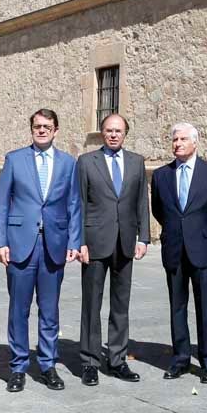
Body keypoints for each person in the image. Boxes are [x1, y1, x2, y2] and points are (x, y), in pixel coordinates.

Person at [0, 108, 81, 393]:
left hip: (54, 245)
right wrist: (0, 241)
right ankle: (18, 366)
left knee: (50, 310)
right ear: (31, 129)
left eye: (47, 126)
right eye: (37, 126)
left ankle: (47, 364)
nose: (41, 130)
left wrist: (74, 243)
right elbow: (2, 203)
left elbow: (74, 205)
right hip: (20, 244)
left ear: (56, 130)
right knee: (19, 309)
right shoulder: (15, 160)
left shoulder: (68, 163)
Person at [150, 122, 207, 383]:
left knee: (206, 306)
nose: (177, 143)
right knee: (177, 306)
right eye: (174, 139)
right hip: (174, 248)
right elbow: (158, 210)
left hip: (202, 249)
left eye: (183, 139)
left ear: (195, 143)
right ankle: (181, 358)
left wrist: (206, 231)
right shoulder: (161, 175)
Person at [75, 112, 149, 386]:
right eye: (108, 130)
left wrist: (144, 238)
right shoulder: (86, 162)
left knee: (121, 304)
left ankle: (117, 360)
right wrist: (79, 241)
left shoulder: (136, 162)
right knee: (91, 304)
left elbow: (142, 201)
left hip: (126, 241)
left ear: (125, 134)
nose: (113, 135)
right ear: (102, 133)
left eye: (118, 131)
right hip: (94, 243)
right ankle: (90, 362)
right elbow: (79, 203)